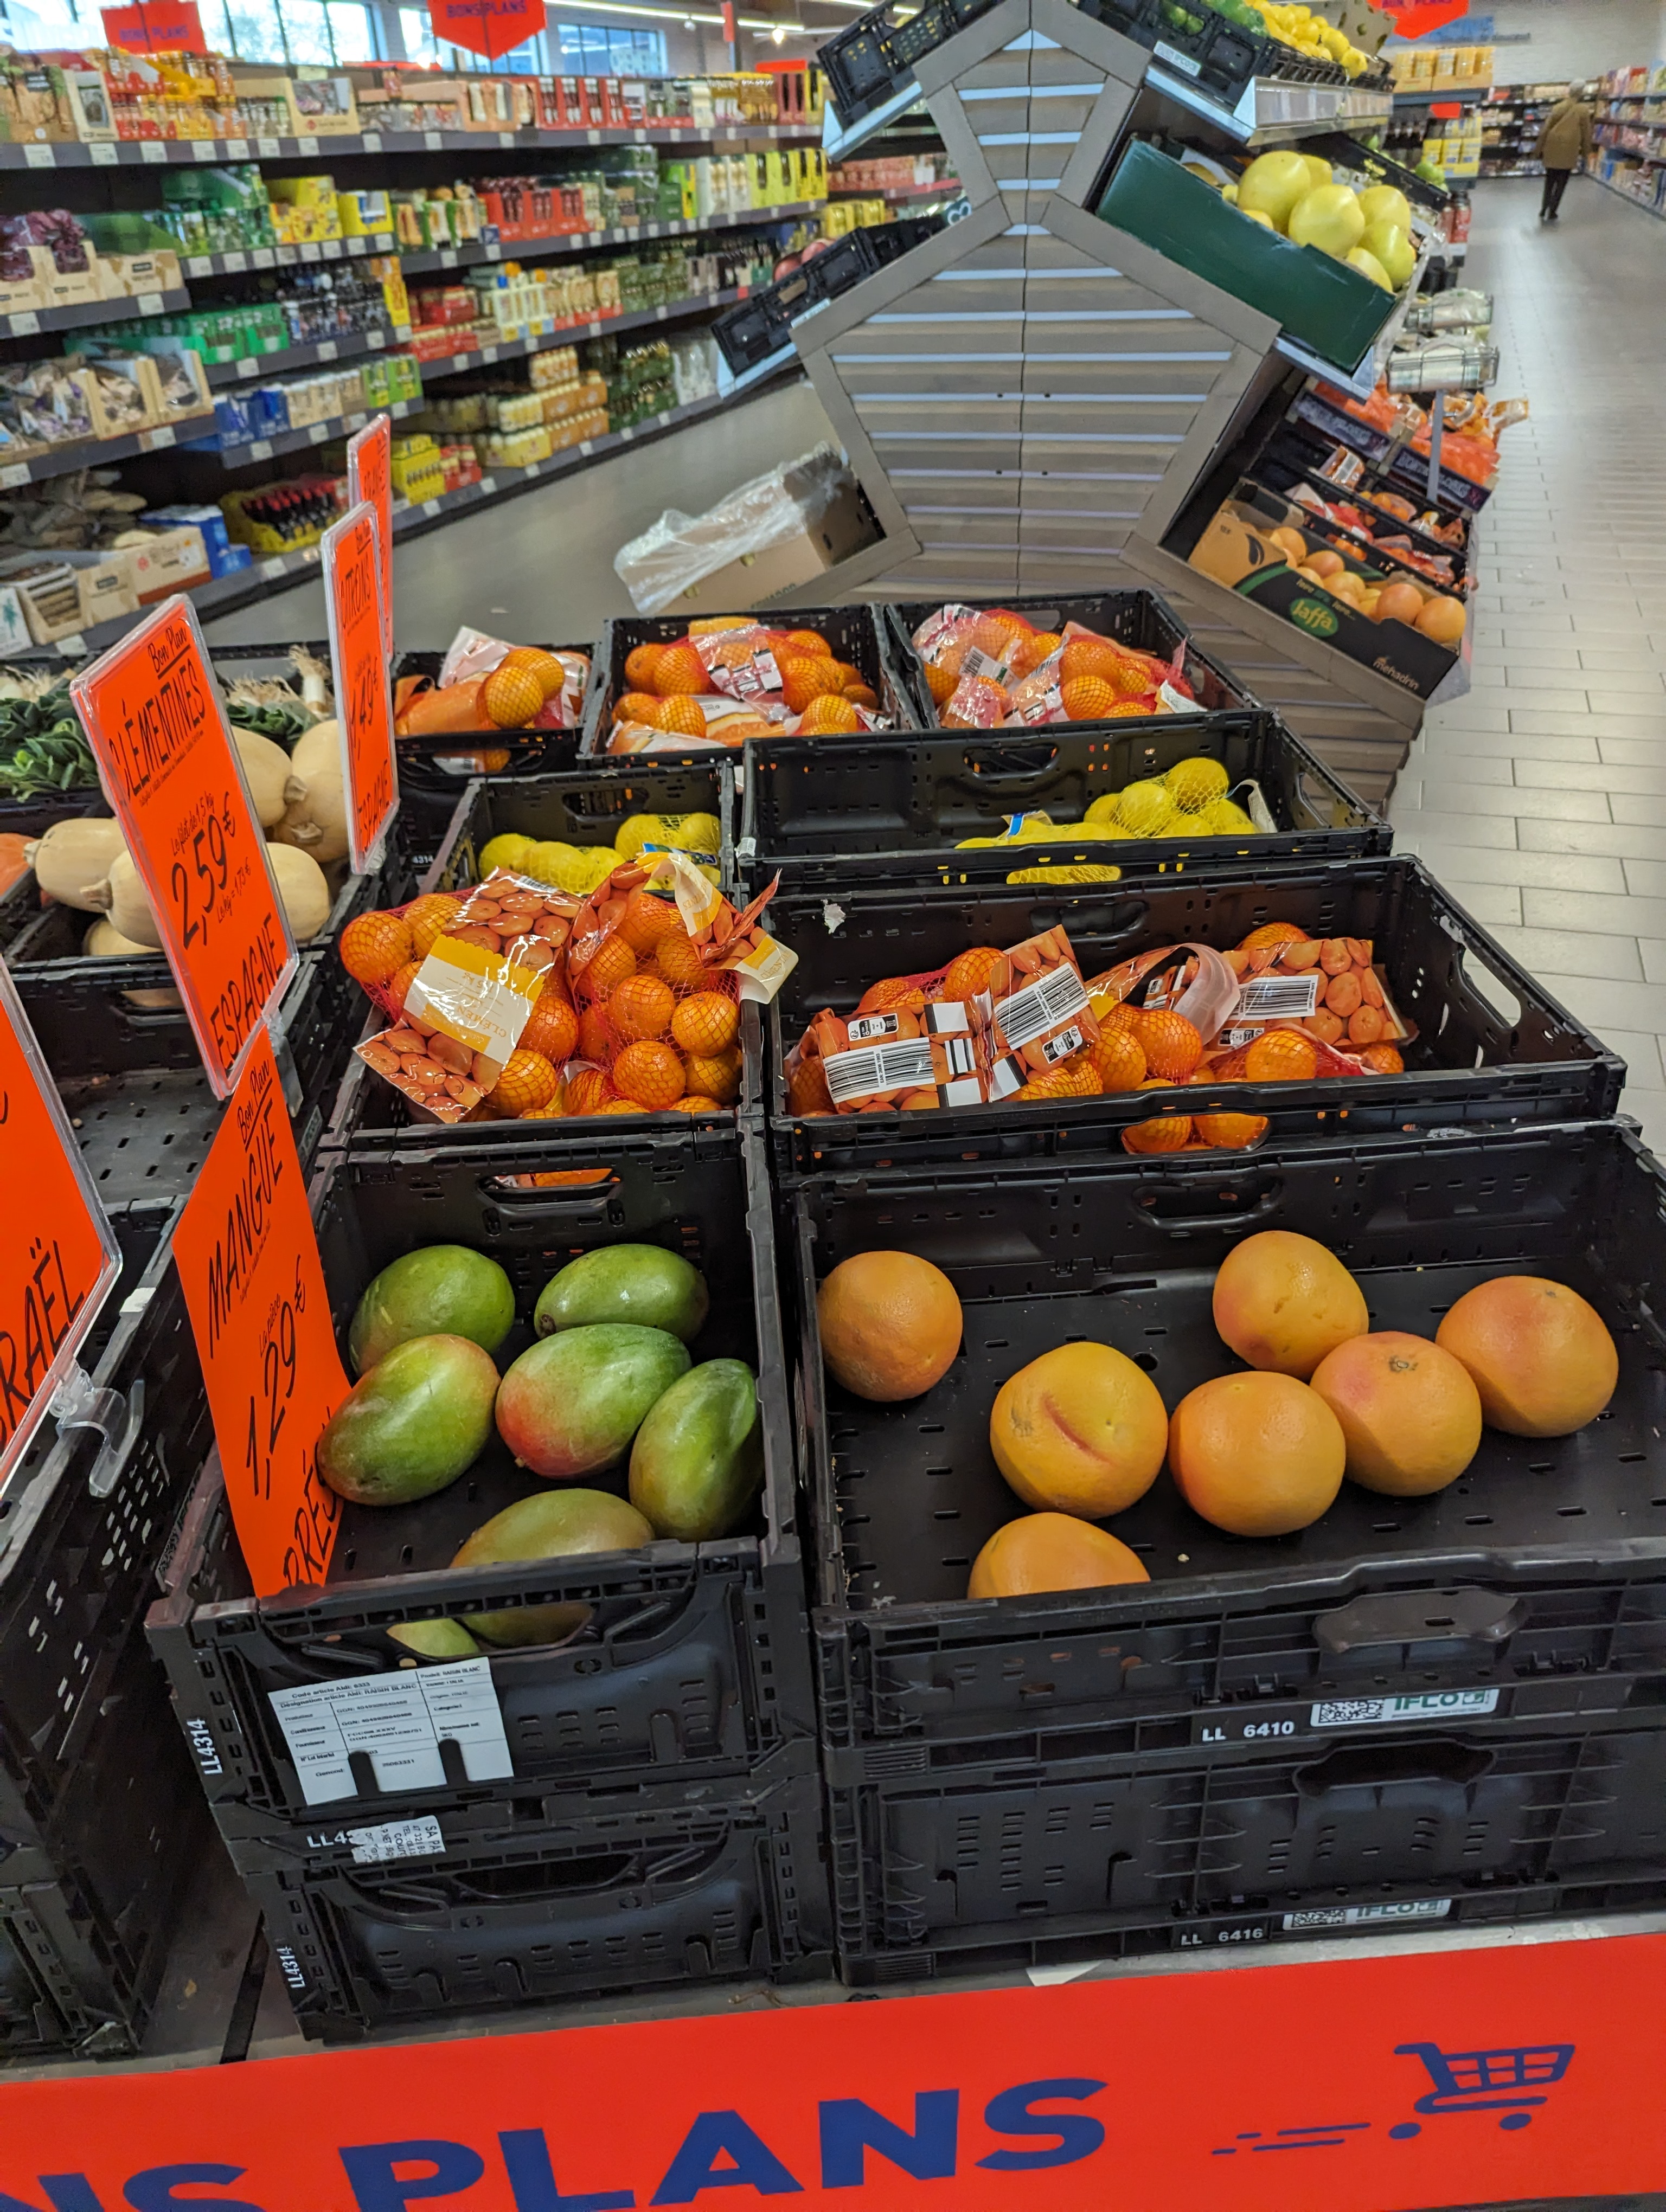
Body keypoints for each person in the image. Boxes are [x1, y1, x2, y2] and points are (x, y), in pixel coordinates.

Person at [1537, 82, 1594, 219]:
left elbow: (1545, 129)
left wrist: (1538, 149)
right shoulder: (1583, 110)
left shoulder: (1558, 107)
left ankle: (1544, 208)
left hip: (1553, 146)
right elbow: (1586, 133)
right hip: (1569, 148)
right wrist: (1586, 151)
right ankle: (1553, 211)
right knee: (1562, 182)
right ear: (1581, 93)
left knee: (1550, 180)